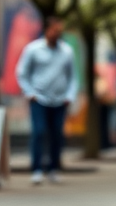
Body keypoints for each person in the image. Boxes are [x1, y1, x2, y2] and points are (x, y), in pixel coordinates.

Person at [15, 16, 78, 185]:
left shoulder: (67, 51)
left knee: (57, 134)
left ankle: (53, 168)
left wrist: (69, 96)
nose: (57, 34)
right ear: (47, 30)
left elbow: (73, 77)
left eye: (60, 31)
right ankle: (36, 169)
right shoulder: (33, 49)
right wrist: (29, 93)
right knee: (39, 132)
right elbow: (22, 72)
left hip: (60, 101)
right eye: (55, 30)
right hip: (39, 99)